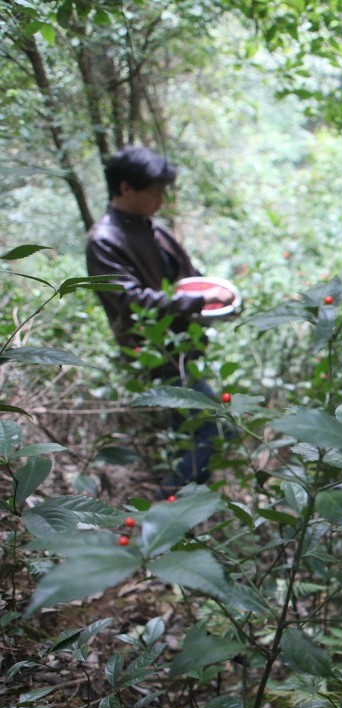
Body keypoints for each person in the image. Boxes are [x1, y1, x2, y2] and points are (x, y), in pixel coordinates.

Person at [86, 145, 234, 496]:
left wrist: (215, 297)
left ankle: (186, 513)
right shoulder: (104, 241)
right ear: (125, 188)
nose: (161, 200)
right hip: (154, 353)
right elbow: (129, 300)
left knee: (190, 436)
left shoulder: (154, 230)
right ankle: (165, 505)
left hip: (182, 348)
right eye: (154, 192)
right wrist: (197, 299)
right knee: (217, 429)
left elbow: (188, 277)